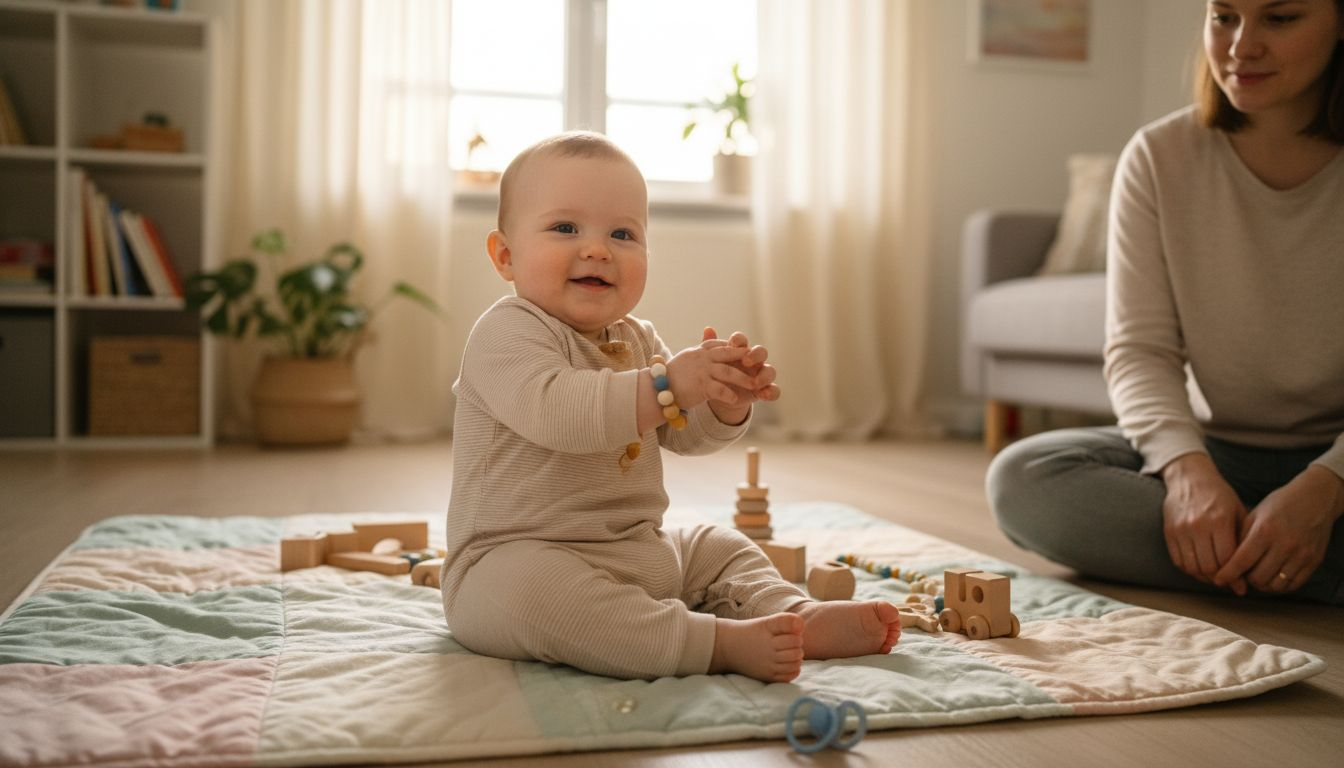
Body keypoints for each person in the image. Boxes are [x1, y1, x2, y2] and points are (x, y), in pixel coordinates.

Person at [441, 131, 902, 681]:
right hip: (513, 561)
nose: (597, 248)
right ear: (506, 256)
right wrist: (670, 385)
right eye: (565, 228)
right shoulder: (504, 333)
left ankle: (793, 612)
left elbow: (683, 434)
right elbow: (560, 412)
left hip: (638, 551)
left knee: (716, 545)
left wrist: (721, 403)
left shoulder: (636, 338)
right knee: (538, 594)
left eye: (623, 233)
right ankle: (714, 644)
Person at [989, 0, 1344, 604]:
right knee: (1024, 480)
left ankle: (1247, 556)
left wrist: (1327, 487)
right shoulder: (1159, 155)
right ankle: (1279, 560)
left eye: (1279, 19)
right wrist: (1186, 472)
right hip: (1219, 450)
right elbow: (1139, 350)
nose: (1240, 47)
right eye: (1223, 16)